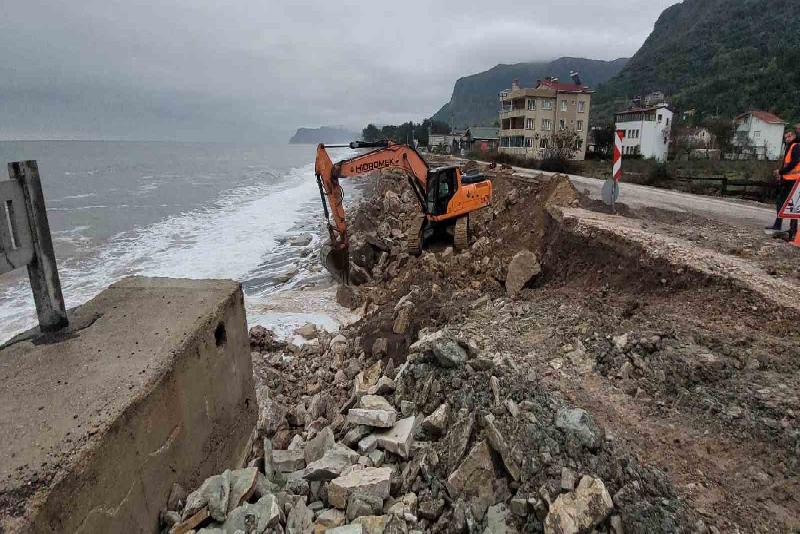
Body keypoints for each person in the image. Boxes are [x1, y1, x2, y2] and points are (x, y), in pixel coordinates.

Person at [766, 129, 800, 237]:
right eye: (786, 137)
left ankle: (791, 229)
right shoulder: (790, 147)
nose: (787, 139)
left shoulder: (796, 146)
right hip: (788, 179)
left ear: (794, 136)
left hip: (793, 180)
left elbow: (794, 163)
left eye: (789, 136)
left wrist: (780, 172)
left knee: (791, 204)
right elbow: (786, 163)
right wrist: (781, 174)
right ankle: (782, 225)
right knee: (784, 202)